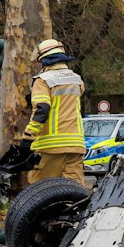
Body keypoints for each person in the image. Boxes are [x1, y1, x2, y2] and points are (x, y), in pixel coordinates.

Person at [23, 38, 86, 183]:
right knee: (74, 190)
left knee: (42, 190)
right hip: (76, 145)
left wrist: (28, 137)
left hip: (50, 146)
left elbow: (42, 109)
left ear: (43, 60)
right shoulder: (77, 80)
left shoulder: (42, 81)